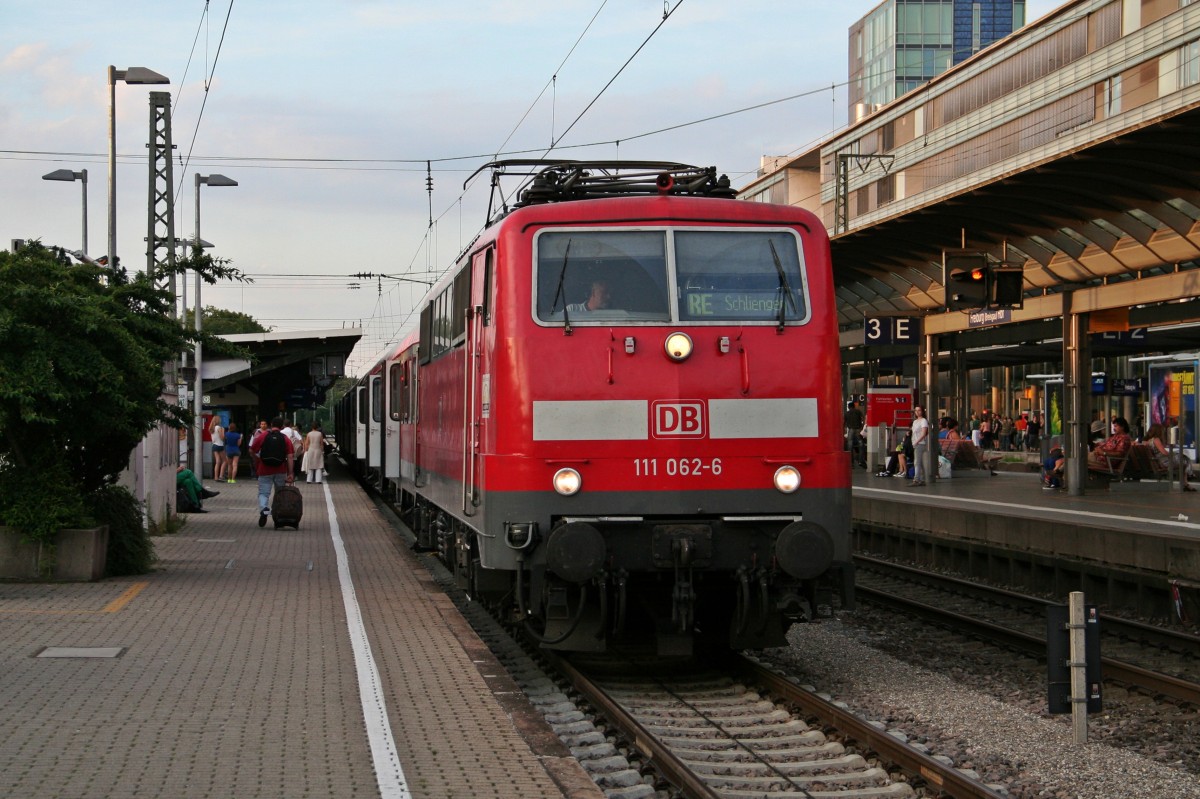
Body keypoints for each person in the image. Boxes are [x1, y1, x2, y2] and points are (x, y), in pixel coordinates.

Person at [249, 417, 296, 527]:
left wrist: (257, 460)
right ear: (282, 426)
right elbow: (290, 457)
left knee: (263, 493)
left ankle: (264, 509)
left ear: (270, 424)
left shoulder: (263, 435)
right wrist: (290, 473)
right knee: (279, 493)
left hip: (264, 469)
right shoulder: (285, 438)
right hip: (280, 469)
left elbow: (252, 450)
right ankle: (279, 516)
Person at [1144, 423, 1194, 491]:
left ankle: (1186, 482)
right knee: (1185, 458)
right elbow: (1164, 452)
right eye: (1162, 430)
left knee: (1185, 460)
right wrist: (1173, 453)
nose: (1163, 431)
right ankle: (1189, 476)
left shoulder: (1149, 441)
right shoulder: (1156, 440)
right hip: (1164, 462)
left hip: (1159, 461)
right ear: (1158, 431)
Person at [910, 405, 930, 487]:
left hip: (920, 443)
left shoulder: (923, 421)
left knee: (917, 462)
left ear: (922, 411)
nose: (917, 412)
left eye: (919, 410)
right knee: (919, 462)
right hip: (915, 442)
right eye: (916, 410)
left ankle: (916, 479)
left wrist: (917, 442)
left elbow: (924, 433)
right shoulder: (915, 421)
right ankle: (921, 479)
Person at [844, 400, 865, 468]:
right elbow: (863, 418)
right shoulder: (858, 411)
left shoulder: (847, 413)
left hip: (851, 430)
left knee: (850, 446)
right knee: (861, 445)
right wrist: (862, 426)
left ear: (849, 407)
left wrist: (843, 430)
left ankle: (851, 463)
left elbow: (843, 422)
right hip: (858, 430)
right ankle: (861, 461)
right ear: (854, 406)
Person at [210, 416, 227, 482]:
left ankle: (216, 477)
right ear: (218, 421)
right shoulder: (219, 428)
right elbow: (222, 437)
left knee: (217, 461)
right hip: (220, 445)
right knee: (225, 461)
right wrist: (223, 430)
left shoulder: (212, 428)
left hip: (214, 445)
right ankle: (221, 476)